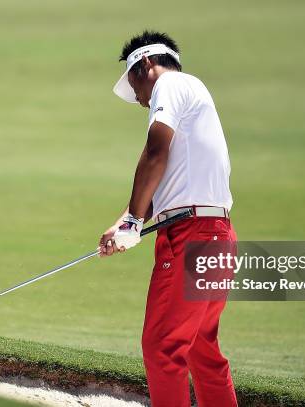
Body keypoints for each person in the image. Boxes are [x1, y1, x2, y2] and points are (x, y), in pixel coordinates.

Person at [98, 30, 238, 407]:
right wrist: (126, 220)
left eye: (136, 87)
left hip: (192, 236)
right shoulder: (192, 92)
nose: (141, 100)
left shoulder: (171, 84)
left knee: (162, 347)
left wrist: (134, 223)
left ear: (146, 65)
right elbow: (170, 178)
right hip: (217, 234)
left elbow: (155, 152)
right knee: (200, 349)